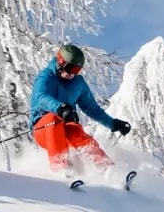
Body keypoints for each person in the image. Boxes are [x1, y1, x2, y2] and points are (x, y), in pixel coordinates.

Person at [30, 44, 131, 173]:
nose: (72, 74)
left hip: (65, 128)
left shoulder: (78, 83)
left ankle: (108, 169)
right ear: (61, 62)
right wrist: (60, 108)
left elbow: (92, 108)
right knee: (53, 118)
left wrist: (113, 124)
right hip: (44, 129)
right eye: (70, 68)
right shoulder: (46, 77)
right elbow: (41, 97)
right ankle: (62, 170)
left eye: (76, 70)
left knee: (75, 130)